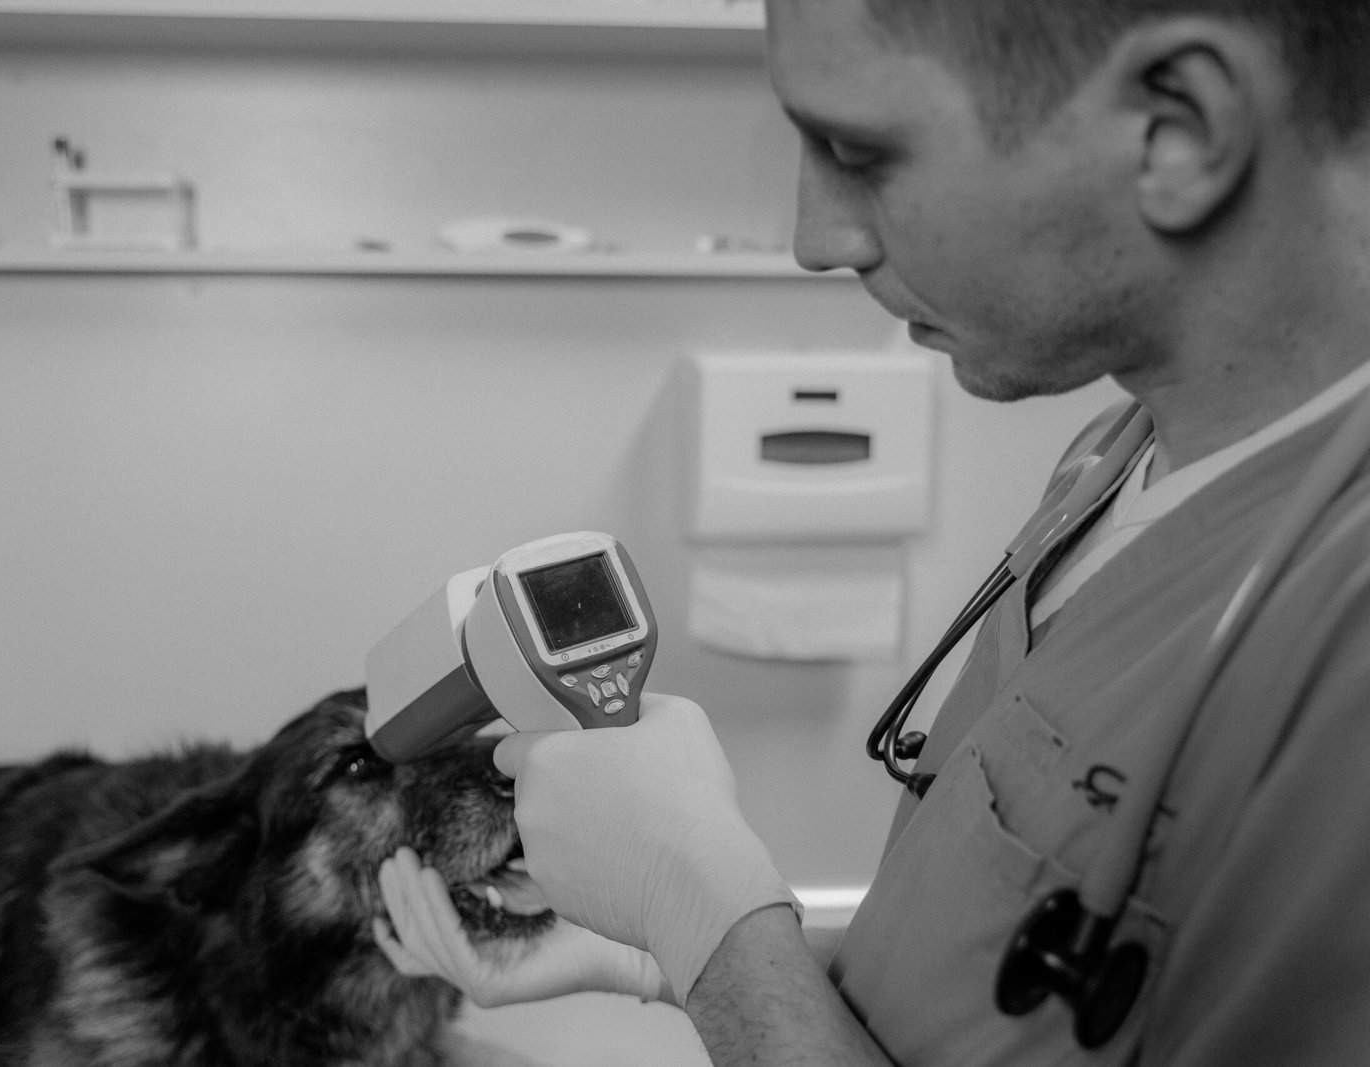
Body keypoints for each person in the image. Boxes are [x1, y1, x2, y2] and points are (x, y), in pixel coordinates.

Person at [374, 0, 1370, 1062]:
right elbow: (1008, 953)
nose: (816, 240)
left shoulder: (1339, 657)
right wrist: (672, 953)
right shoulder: (1114, 456)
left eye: (860, 150)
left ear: (1179, 127)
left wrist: (712, 933)